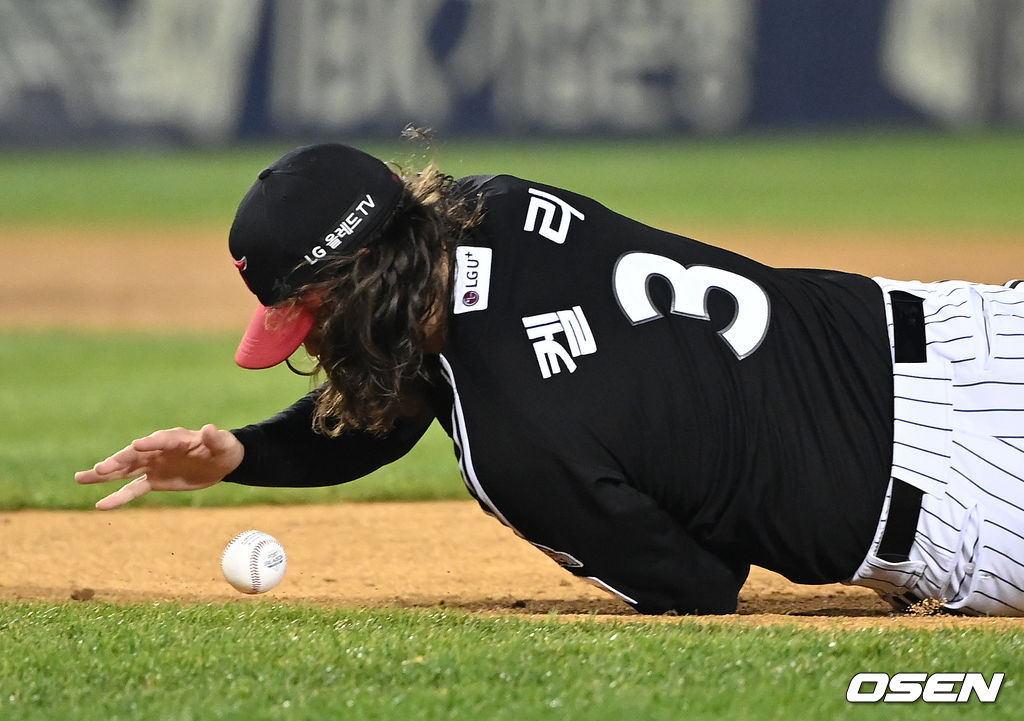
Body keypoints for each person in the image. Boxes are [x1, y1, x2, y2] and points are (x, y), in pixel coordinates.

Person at [76, 142, 1024, 616]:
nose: (313, 347)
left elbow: (699, 584)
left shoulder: (514, 446)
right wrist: (245, 453)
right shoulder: (496, 204)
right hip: (968, 324)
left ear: (363, 284)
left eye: (312, 318)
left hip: (965, 499)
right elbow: (429, 373)